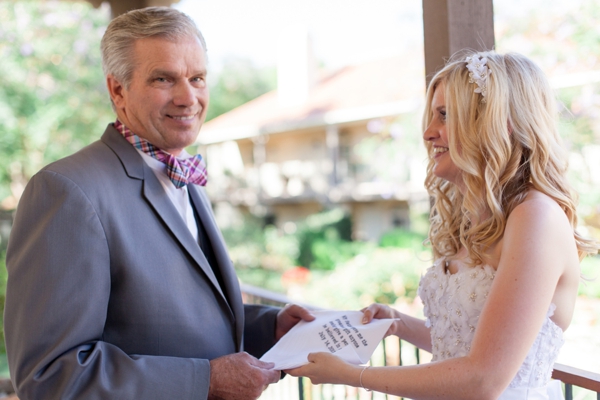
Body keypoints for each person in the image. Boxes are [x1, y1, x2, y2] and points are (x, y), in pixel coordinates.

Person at [4, 7, 313, 400]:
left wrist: (268, 328)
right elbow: (49, 376)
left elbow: (166, 318)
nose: (188, 98)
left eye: (197, 78)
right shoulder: (65, 191)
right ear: (118, 90)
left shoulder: (186, 178)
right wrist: (207, 381)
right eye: (164, 79)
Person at [287, 51, 599, 399]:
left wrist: (353, 375)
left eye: (445, 116)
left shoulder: (535, 218)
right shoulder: (476, 218)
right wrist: (397, 323)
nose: (428, 132)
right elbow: (465, 344)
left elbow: (483, 377)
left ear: (495, 121)